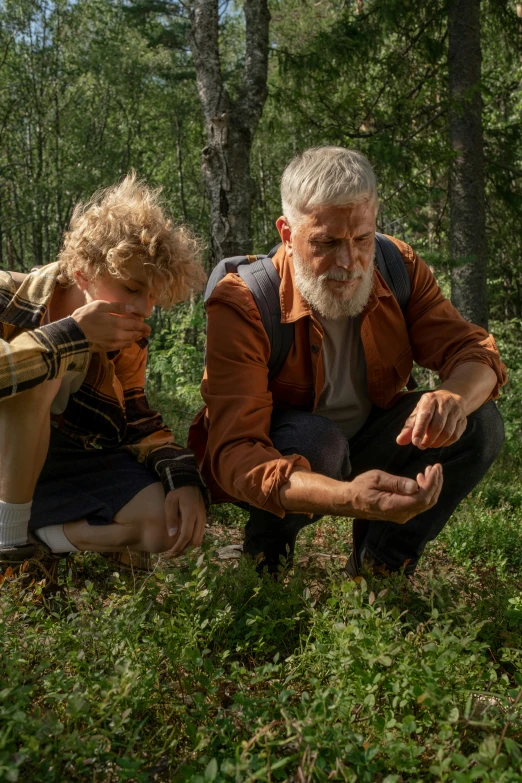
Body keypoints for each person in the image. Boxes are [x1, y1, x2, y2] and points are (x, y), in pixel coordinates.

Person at [188, 146, 507, 576]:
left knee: (479, 421)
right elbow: (237, 452)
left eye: (361, 240)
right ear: (287, 233)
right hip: (297, 452)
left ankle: (381, 566)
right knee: (318, 439)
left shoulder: (397, 266)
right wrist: (351, 498)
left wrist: (453, 396)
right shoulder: (244, 301)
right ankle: (265, 560)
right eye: (326, 243)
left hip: (372, 438)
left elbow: (474, 352)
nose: (349, 262)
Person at [0, 173, 208, 570]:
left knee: (167, 524)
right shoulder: (7, 296)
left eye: (153, 296)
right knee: (43, 373)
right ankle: (9, 551)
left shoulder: (125, 335)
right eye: (132, 288)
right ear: (83, 274)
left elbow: (136, 418)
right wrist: (69, 336)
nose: (146, 308)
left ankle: (42, 539)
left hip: (57, 466)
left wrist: (181, 474)